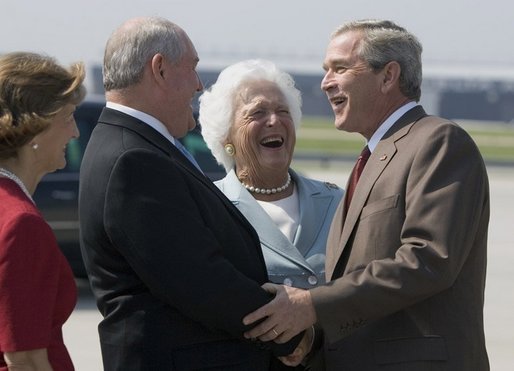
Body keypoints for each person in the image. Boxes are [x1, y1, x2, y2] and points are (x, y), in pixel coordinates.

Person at [242, 19, 490, 371]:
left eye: (339, 68)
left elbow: (428, 261)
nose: (326, 82)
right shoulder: (372, 159)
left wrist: (312, 304)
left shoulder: (438, 142)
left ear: (388, 76)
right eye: (326, 70)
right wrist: (314, 338)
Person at [78, 17, 304, 371]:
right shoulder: (134, 160)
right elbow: (199, 279)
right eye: (193, 68)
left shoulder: (136, 145)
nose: (199, 86)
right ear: (160, 69)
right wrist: (288, 332)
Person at [199, 59, 344, 369]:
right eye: (257, 113)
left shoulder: (338, 201)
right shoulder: (209, 207)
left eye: (283, 111)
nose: (274, 121)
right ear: (227, 139)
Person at [0, 52, 85, 370]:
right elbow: (26, 359)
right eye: (68, 117)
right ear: (35, 125)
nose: (75, 132)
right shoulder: (20, 222)